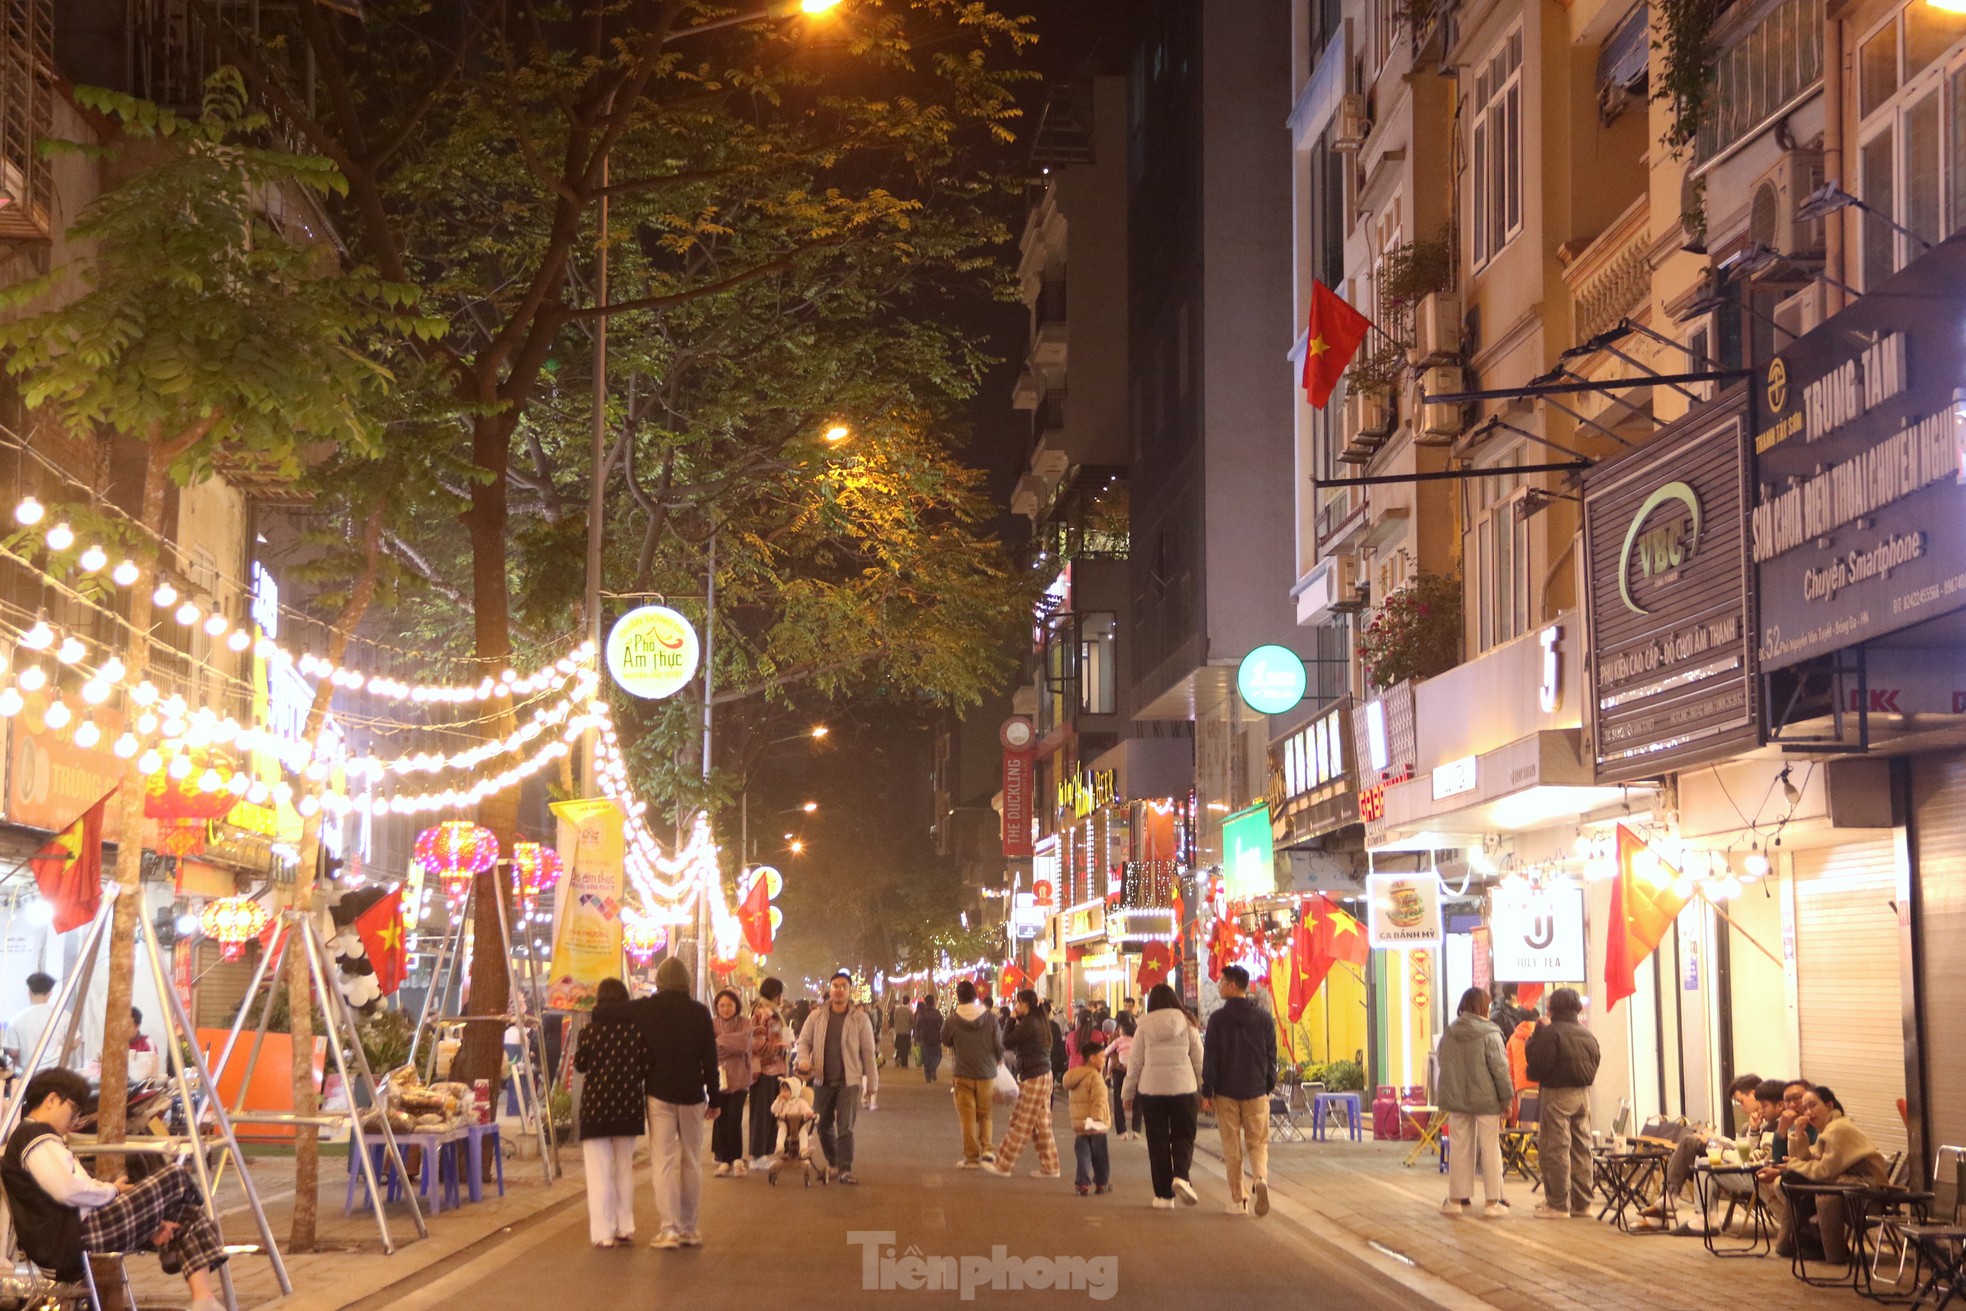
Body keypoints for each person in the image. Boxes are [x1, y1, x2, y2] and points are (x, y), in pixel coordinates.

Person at [0, 1067, 225, 1309]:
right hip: (73, 1239)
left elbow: (76, 1186)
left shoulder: (36, 1138)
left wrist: (113, 1192)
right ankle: (172, 1244)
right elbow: (68, 1190)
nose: (74, 1120)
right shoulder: (35, 1138)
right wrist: (113, 1192)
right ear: (52, 1100)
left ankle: (205, 1301)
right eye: (73, 1109)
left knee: (186, 1216)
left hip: (72, 1236)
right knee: (175, 1176)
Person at [625, 956, 719, 1249]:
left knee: (663, 1162)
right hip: (692, 1093)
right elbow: (710, 1059)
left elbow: (610, 1010)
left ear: (660, 980)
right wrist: (714, 1097)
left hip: (658, 1092)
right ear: (687, 982)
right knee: (691, 1160)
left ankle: (669, 1230)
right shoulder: (700, 1012)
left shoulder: (647, 1008)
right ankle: (690, 1228)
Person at [1760, 1085, 1891, 1262]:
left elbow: (1823, 1171)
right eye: (1805, 1108)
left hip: (1866, 1193)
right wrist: (1797, 1135)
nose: (1808, 1112)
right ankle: (1801, 1241)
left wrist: (1793, 1165)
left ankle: (1809, 1245)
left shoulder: (1838, 1128)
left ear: (1829, 1105)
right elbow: (1807, 1160)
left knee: (1813, 1191)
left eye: (1813, 1105)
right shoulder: (1828, 1128)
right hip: (1847, 1186)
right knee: (1792, 1182)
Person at [573, 978, 645, 1248]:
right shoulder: (636, 1030)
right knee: (624, 1168)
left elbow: (580, 1065)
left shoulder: (590, 1032)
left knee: (599, 1172)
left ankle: (604, 1232)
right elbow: (645, 1063)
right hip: (628, 1105)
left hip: (596, 1107)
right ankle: (626, 1226)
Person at [1201, 965, 1277, 1217]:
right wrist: (1268, 1084)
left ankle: (1239, 1199)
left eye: (1222, 982)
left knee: (1232, 1147)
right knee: (1258, 1143)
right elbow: (1271, 1055)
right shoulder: (1264, 1018)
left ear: (1233, 985)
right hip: (1256, 1089)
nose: (1219, 986)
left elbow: (1210, 1057)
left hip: (1226, 1091)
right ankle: (1260, 1179)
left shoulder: (1218, 1020)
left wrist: (1207, 1090)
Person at [1434, 986, 1514, 1220]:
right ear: (1483, 1007)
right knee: (1490, 1147)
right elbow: (1500, 1069)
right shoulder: (1490, 1033)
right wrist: (1506, 1098)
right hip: (1487, 1099)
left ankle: (1455, 1200)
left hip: (1457, 1099)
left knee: (1459, 1147)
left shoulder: (1450, 1032)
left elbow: (1441, 1059)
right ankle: (1492, 1202)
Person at [1641, 1072, 1764, 1224]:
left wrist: (1715, 1143)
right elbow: (1742, 1148)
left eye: (1741, 1101)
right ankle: (1668, 1201)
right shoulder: (1751, 1123)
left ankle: (1671, 1201)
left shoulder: (1769, 1122)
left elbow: (1748, 1156)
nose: (1741, 1107)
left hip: (1747, 1171)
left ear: (1753, 1094)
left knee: (1698, 1156)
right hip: (1739, 1161)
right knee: (1690, 1142)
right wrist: (1714, 1139)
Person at [794, 970, 879, 1185]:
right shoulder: (817, 1016)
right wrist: (803, 1059)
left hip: (849, 1082)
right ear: (829, 989)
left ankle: (845, 1169)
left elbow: (868, 1052)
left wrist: (872, 1084)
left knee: (845, 1127)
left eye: (843, 986)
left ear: (850, 991)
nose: (839, 990)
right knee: (822, 1125)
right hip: (822, 1080)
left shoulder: (860, 1019)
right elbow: (803, 1042)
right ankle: (833, 1162)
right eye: (835, 986)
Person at [1123, 983, 1204, 1208]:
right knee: (1184, 1135)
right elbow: (1199, 1059)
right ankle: (1181, 1175)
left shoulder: (1143, 1027)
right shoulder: (1188, 1024)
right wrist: (1205, 1089)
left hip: (1152, 1090)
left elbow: (1135, 1063)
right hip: (1184, 1088)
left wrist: (1127, 1093)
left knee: (1157, 1142)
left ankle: (1163, 1196)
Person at [1523, 986, 1600, 1220]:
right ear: (1577, 1008)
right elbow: (1595, 1061)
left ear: (1552, 1008)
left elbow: (1537, 1066)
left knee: (1555, 1147)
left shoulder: (1551, 1032)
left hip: (1557, 1094)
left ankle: (1557, 1204)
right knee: (1581, 1148)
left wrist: (1536, 1036)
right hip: (1583, 1096)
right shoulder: (1588, 1035)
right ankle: (1583, 1203)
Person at [984, 991, 1061, 1179]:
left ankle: (1003, 1164)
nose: (1015, 1007)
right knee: (1041, 1125)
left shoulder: (1029, 1023)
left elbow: (1006, 1041)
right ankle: (1050, 1166)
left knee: (1020, 1122)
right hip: (1042, 1074)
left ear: (1025, 1004)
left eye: (1017, 1003)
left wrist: (1010, 1020)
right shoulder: (1040, 1020)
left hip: (1034, 1076)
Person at [942, 980, 1002, 1169]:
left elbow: (945, 1039)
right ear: (976, 995)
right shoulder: (991, 1019)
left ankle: (970, 1158)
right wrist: (996, 1060)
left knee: (967, 1118)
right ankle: (987, 1150)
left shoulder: (952, 1020)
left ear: (958, 997)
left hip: (963, 1073)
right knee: (985, 1114)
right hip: (987, 1073)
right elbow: (999, 1045)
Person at [747, 978, 790, 1169]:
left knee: (773, 1112)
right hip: (764, 1070)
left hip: (777, 1069)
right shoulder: (760, 1012)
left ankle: (765, 1152)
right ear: (775, 993)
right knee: (762, 1113)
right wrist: (776, 1048)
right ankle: (757, 1156)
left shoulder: (775, 1013)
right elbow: (756, 1042)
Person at [710, 988, 753, 1178]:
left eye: (729, 1005)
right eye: (721, 1005)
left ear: (736, 1006)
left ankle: (736, 1159)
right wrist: (728, 1045)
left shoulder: (745, 1023)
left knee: (734, 1119)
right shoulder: (710, 1023)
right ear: (716, 1007)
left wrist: (719, 1040)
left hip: (740, 1078)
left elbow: (744, 1044)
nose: (725, 1009)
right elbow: (710, 1049)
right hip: (718, 1078)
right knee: (721, 1119)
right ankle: (725, 1160)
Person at [1064, 1035, 1113, 1196]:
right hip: (1095, 1124)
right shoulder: (1095, 1077)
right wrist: (1097, 1118)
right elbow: (1098, 1100)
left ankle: (1082, 1183)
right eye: (1102, 1057)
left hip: (1080, 1123)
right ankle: (1101, 1183)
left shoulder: (1075, 1076)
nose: (1105, 1060)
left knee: (1082, 1155)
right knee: (1100, 1157)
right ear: (1092, 1058)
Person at [7, 974, 56, 1076]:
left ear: (29, 992)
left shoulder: (16, 1020)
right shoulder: (62, 1015)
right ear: (50, 993)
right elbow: (74, 1042)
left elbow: (13, 1052)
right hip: (58, 1072)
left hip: (30, 1075)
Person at [1106, 1015, 1134, 1139]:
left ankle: (1126, 1130)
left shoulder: (1116, 1039)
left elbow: (1107, 1053)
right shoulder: (1133, 1038)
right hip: (1126, 1070)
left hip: (1121, 1069)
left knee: (1120, 1099)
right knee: (1121, 1099)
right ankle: (1126, 1129)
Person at [914, 993, 945, 1083]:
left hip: (924, 1038)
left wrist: (917, 1038)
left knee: (926, 1056)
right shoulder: (937, 1013)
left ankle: (928, 1074)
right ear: (933, 1003)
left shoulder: (921, 1013)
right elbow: (942, 1026)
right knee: (937, 1056)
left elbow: (917, 1026)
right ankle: (933, 1068)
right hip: (936, 1038)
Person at [127, 1008, 159, 1083]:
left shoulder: (147, 1043)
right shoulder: (116, 1044)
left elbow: (152, 1072)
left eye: (128, 1026)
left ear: (137, 1026)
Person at [892, 997, 914, 1070]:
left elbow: (894, 1018)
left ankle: (898, 1058)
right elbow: (912, 1020)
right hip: (906, 1032)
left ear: (902, 1001)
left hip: (898, 1031)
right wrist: (910, 1027)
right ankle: (904, 1064)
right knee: (905, 1048)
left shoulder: (897, 1010)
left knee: (899, 1046)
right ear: (908, 1002)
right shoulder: (909, 1011)